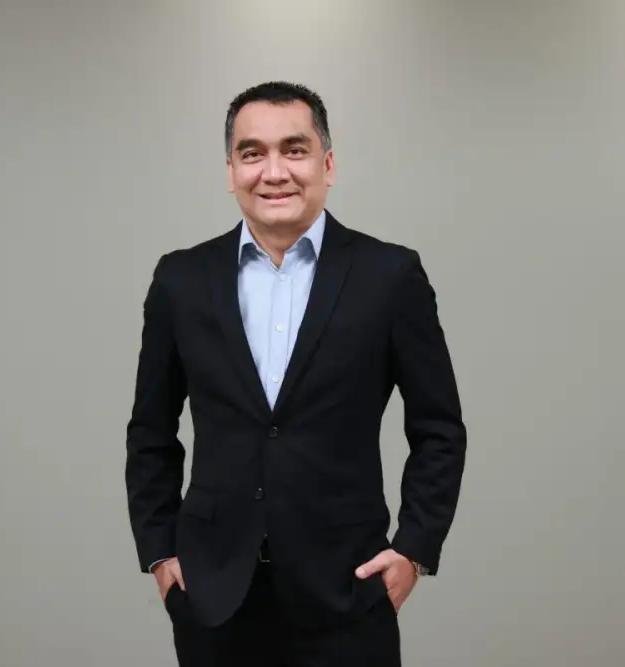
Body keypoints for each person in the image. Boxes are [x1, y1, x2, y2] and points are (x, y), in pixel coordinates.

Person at [125, 81, 467, 666]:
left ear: (327, 165)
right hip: (213, 595)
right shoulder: (181, 280)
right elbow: (150, 431)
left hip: (348, 591)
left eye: (294, 149)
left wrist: (414, 550)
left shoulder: (389, 276)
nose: (274, 171)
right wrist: (159, 554)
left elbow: (439, 429)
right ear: (230, 171)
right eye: (252, 153)